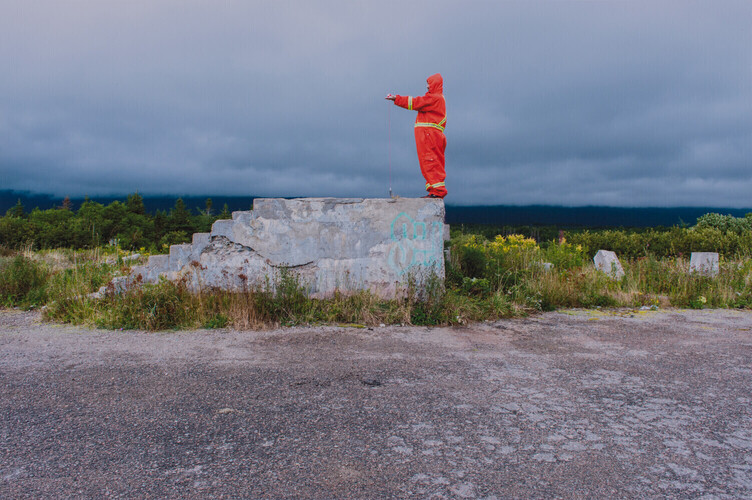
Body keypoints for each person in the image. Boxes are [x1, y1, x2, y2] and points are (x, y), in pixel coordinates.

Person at [386, 73, 447, 198]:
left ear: (434, 84)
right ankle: (433, 190)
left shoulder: (435, 98)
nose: (427, 87)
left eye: (429, 84)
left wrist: (396, 98)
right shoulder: (436, 98)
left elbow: (415, 102)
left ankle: (438, 191)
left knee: (431, 161)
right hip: (428, 136)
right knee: (428, 162)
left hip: (429, 136)